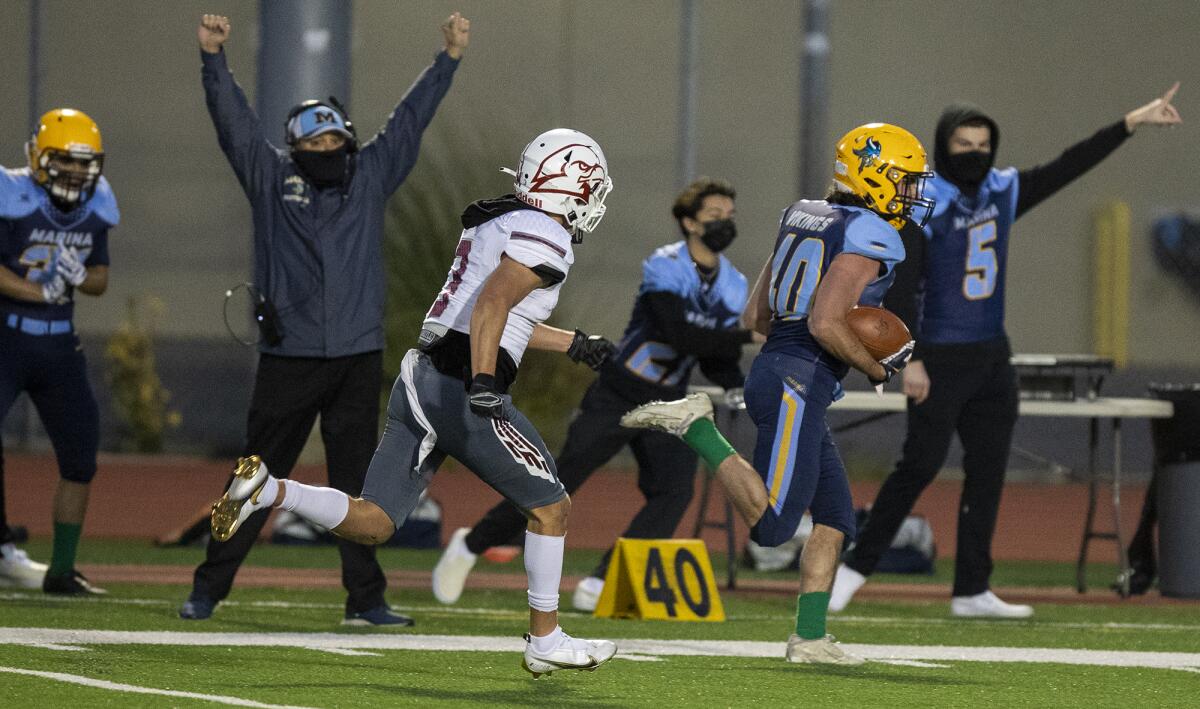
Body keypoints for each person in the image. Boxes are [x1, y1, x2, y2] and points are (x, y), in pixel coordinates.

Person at [208, 128, 618, 677]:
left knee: (375, 522)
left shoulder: (506, 221)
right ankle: (545, 639)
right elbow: (491, 307)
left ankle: (270, 490)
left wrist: (572, 342)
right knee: (551, 506)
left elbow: (504, 316)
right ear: (569, 186)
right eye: (590, 186)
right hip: (456, 387)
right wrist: (483, 381)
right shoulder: (548, 234)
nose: (594, 199)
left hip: (419, 379)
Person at [831, 85, 1183, 618]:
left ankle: (972, 588)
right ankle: (855, 568)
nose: (974, 151)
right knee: (919, 465)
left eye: (982, 142)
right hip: (941, 356)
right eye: (963, 142)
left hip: (992, 356)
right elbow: (905, 284)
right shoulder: (925, 201)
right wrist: (913, 356)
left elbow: (1069, 166)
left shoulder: (1002, 189)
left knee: (989, 468)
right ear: (944, 145)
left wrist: (1130, 122)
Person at [179, 11, 469, 625]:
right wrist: (214, 61)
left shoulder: (369, 178)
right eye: (313, 144)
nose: (325, 151)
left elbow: (408, 122)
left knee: (356, 488)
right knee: (252, 475)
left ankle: (365, 600)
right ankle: (208, 588)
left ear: (349, 143)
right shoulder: (269, 177)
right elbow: (233, 125)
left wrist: (446, 61)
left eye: (334, 141)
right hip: (290, 359)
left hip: (356, 359)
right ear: (293, 148)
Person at [620, 123, 930, 665]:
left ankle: (809, 639)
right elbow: (826, 322)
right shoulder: (870, 233)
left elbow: (755, 316)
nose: (910, 194)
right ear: (874, 176)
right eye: (903, 181)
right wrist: (874, 366)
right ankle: (696, 427)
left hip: (784, 370)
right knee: (774, 526)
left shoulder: (803, 214)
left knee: (836, 517)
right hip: (798, 380)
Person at [433, 177, 758, 612]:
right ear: (689, 221)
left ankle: (604, 579)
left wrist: (734, 379)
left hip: (670, 401)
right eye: (714, 214)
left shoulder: (733, 283)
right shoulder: (666, 265)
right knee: (558, 482)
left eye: (730, 216)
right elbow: (681, 334)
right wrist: (749, 335)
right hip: (620, 391)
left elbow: (713, 352)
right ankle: (471, 545)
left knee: (674, 492)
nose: (724, 223)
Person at [0, 108, 118, 595]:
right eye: (64, 162)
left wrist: (76, 277)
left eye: (82, 165)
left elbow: (100, 280)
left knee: (80, 456)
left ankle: (62, 570)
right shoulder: (12, 193)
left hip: (59, 346)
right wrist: (40, 293)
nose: (74, 174)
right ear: (37, 156)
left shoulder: (98, 206)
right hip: (6, 338)